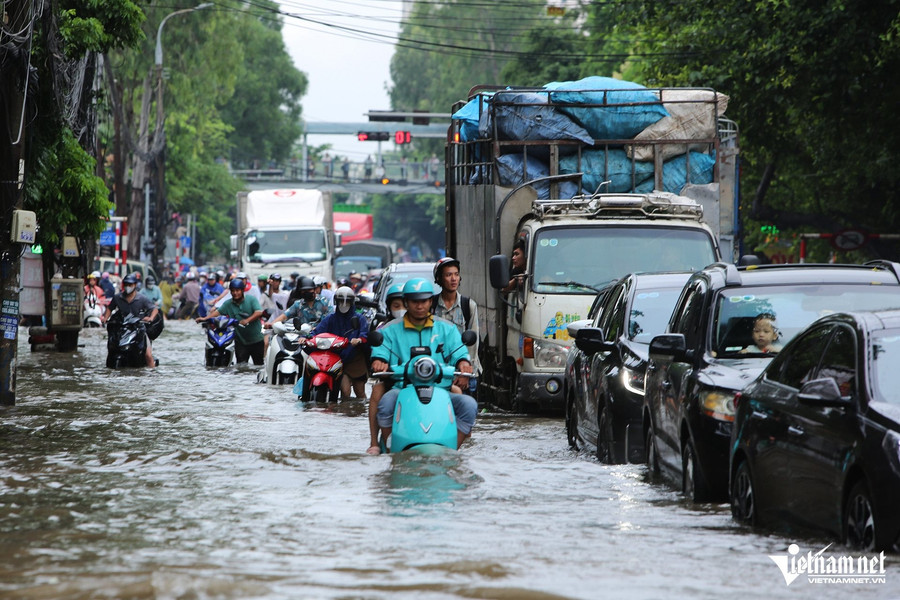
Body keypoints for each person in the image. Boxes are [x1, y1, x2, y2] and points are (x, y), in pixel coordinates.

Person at [370, 278, 477, 452]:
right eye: (414, 301)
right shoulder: (390, 329)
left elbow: (459, 351)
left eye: (424, 301)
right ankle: (389, 446)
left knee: (469, 405)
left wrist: (463, 362)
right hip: (402, 388)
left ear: (430, 301)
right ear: (406, 302)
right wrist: (379, 361)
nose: (420, 306)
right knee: (386, 402)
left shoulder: (446, 328)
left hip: (440, 388)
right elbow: (380, 352)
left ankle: (452, 448)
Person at [432, 257, 482, 397]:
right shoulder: (431, 305)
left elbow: (473, 343)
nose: (453, 279)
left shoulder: (468, 305)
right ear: (439, 279)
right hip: (436, 371)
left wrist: (465, 373)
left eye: (456, 274)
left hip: (463, 372)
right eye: (448, 275)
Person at [308, 286, 369, 400]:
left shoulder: (360, 318)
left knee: (359, 392)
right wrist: (305, 338)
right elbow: (317, 332)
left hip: (355, 359)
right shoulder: (331, 318)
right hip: (336, 359)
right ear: (336, 301)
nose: (344, 304)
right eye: (341, 301)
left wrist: (359, 340)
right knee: (345, 391)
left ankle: (359, 412)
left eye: (347, 301)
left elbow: (364, 335)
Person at [366, 283, 405, 453]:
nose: (402, 310)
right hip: (393, 380)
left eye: (405, 305)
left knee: (456, 392)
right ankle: (375, 442)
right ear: (389, 307)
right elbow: (378, 353)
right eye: (397, 306)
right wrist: (380, 362)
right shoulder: (384, 330)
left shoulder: (430, 327)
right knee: (376, 391)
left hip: (425, 380)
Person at [196, 278, 265, 364]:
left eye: (237, 290)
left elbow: (259, 312)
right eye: (233, 291)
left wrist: (247, 320)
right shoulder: (228, 304)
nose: (235, 293)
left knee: (258, 365)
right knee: (241, 366)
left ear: (242, 290)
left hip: (256, 340)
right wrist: (205, 319)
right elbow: (217, 312)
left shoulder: (251, 300)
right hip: (241, 341)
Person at [104, 273, 159, 368]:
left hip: (139, 329)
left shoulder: (141, 298)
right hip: (122, 329)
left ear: (135, 285)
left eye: (130, 285)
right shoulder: (118, 297)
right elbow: (110, 308)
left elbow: (154, 309)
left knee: (148, 356)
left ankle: (152, 374)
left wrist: (151, 318)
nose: (127, 287)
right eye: (126, 285)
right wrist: (105, 318)